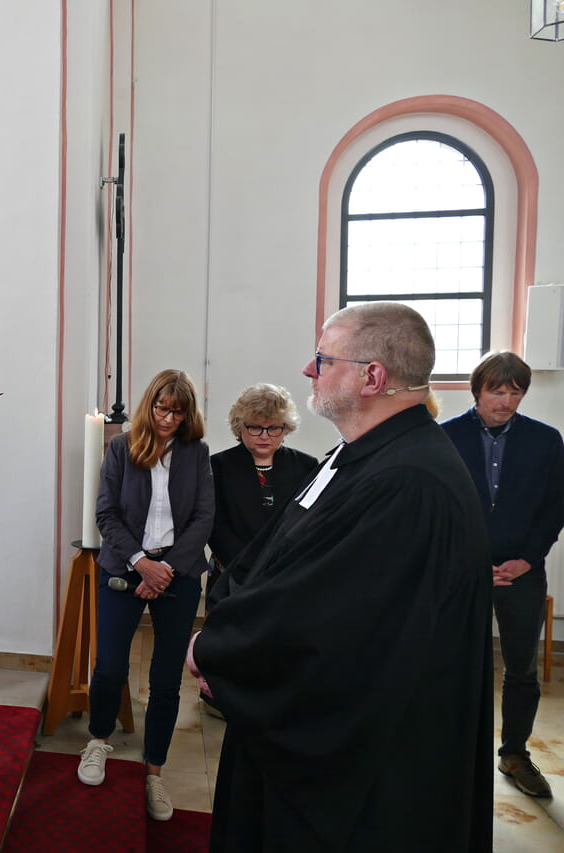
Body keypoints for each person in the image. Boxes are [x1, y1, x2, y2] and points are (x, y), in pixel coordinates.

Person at [189, 302, 493, 852]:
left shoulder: (409, 481)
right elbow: (273, 553)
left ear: (372, 376)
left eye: (323, 359)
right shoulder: (354, 455)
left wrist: (220, 649)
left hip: (360, 779)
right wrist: (227, 632)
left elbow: (332, 617)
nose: (309, 370)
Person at [76, 369, 214, 823]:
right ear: (149, 404)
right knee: (111, 665)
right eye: (161, 408)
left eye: (177, 411)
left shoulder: (197, 453)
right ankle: (98, 740)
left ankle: (155, 768)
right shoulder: (121, 447)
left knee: (167, 680)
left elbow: (202, 517)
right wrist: (141, 561)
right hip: (126, 566)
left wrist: (167, 569)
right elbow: (106, 513)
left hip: (178, 571)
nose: (169, 419)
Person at [441, 351, 564, 799]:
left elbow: (555, 506)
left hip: (522, 571)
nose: (506, 400)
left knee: (522, 669)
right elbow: (439, 511)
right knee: (454, 663)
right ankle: (453, 753)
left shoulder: (546, 440)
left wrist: (530, 558)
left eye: (516, 392)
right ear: (477, 390)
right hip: (463, 571)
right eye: (498, 390)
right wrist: (470, 563)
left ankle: (514, 753)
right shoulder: (444, 437)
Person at [207, 383, 319, 605]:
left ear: (285, 428)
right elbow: (215, 524)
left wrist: (279, 566)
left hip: (285, 576)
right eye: (255, 428)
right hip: (233, 574)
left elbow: (309, 522)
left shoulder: (306, 465)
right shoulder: (218, 465)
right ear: (240, 427)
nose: (264, 436)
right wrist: (248, 567)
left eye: (274, 428)